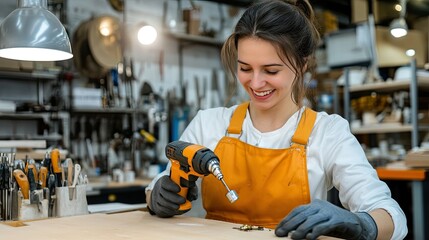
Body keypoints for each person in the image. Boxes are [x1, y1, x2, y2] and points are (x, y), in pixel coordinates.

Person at [145, 0, 408, 239]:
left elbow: (392, 217)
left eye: (271, 70)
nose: (256, 83)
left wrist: (360, 223)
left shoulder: (328, 132)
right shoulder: (209, 124)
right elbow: (165, 182)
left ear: (302, 65)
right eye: (245, 68)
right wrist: (158, 195)